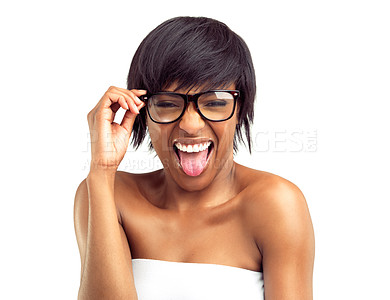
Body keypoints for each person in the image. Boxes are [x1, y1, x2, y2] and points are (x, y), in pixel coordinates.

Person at [74, 16, 315, 300]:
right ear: (141, 111)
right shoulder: (108, 195)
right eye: (166, 103)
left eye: (214, 102)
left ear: (240, 110)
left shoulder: (276, 204)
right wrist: (102, 170)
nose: (191, 124)